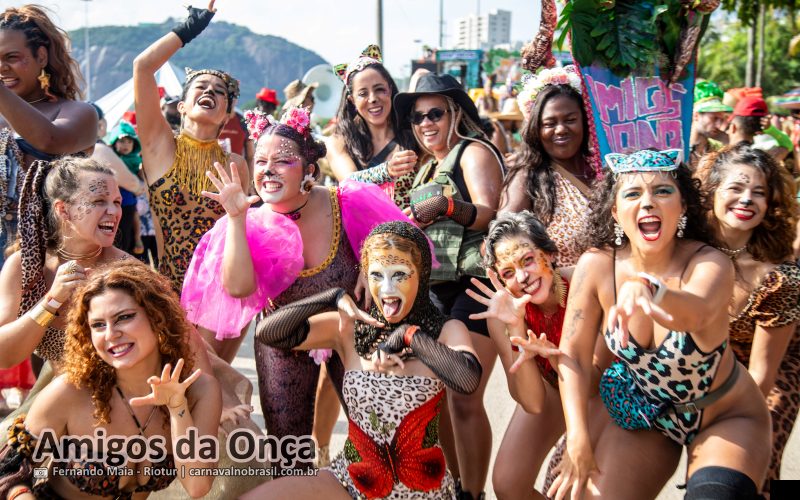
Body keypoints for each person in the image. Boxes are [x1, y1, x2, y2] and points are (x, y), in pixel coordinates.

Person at [181, 105, 411, 471]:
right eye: (260, 161)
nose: (267, 170)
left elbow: (396, 241)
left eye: (283, 161)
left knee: (380, 437)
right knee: (288, 453)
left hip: (351, 332)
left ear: (309, 171)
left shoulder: (344, 201)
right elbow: (239, 289)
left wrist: (373, 262)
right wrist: (237, 220)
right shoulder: (248, 220)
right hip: (285, 341)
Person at [552, 149, 771, 500]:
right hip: (652, 418)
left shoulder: (710, 262)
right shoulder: (596, 266)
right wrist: (577, 438)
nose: (649, 202)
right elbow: (574, 356)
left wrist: (650, 290)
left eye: (663, 191)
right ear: (614, 211)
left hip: (727, 417)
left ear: (682, 206)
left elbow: (695, 313)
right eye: (633, 193)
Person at [241, 220, 482, 499]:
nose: (387, 288)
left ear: (422, 274)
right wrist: (331, 297)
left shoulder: (446, 331)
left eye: (400, 274)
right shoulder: (350, 328)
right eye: (377, 275)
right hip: (352, 480)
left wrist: (408, 335)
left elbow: (468, 380)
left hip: (419, 490)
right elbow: (269, 332)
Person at [0, 260, 221, 499]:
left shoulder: (200, 392)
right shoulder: (71, 391)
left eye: (124, 317)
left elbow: (197, 486)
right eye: (97, 325)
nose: (111, 334)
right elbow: (8, 472)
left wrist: (178, 408)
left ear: (158, 317)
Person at [395, 71, 504, 500]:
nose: (425, 123)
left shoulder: (472, 153)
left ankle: (473, 493)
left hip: (475, 287)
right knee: (437, 402)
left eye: (434, 113)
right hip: (437, 292)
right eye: (418, 118)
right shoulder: (426, 167)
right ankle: (457, 489)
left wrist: (448, 205)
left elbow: (490, 214)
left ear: (455, 112)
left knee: (464, 395)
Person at [132, 0, 250, 358]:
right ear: (181, 106)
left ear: (228, 113)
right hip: (168, 288)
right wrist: (190, 27)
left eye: (220, 92)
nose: (210, 92)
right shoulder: (159, 146)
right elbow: (142, 67)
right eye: (201, 86)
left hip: (221, 295)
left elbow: (241, 234)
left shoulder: (235, 164)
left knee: (210, 390)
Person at [695, 143, 800, 493]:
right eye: (736, 188)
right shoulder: (684, 248)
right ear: (711, 192)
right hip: (707, 362)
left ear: (769, 205)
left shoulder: (780, 278)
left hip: (773, 368)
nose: (746, 200)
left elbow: (761, 378)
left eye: (758, 193)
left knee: (758, 459)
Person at [466, 211, 575, 499]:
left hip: (600, 392)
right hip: (551, 388)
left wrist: (579, 441)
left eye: (528, 260)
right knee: (508, 485)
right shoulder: (501, 317)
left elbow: (594, 379)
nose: (523, 277)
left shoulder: (581, 284)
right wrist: (516, 326)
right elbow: (534, 403)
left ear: (550, 254)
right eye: (508, 273)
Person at [0, 4, 98, 263]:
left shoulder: (78, 113)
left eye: (11, 57)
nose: (2, 68)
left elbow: (49, 139)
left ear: (41, 57)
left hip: (49, 257)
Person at [499, 65, 595, 267]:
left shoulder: (604, 168)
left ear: (585, 121)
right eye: (550, 124)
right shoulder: (528, 176)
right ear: (536, 129)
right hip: (561, 295)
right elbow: (503, 240)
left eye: (570, 120)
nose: (560, 130)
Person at [328, 45, 419, 209]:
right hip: (363, 233)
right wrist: (387, 170)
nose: (373, 99)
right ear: (351, 101)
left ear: (390, 90)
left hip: (412, 230)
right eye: (363, 93)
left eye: (379, 90)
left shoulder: (414, 133)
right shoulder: (338, 142)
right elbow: (349, 183)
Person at [108, 121, 144, 256]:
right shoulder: (108, 158)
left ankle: (136, 241)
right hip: (109, 203)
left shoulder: (136, 161)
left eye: (130, 142)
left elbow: (142, 180)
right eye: (122, 141)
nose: (126, 145)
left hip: (127, 202)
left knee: (125, 235)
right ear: (114, 142)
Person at [689, 80, 732, 166]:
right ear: (696, 115)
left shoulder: (720, 150)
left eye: (721, 119)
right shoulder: (677, 149)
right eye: (714, 118)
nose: (719, 125)